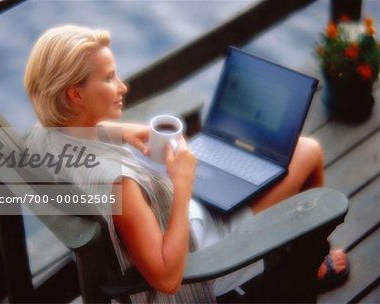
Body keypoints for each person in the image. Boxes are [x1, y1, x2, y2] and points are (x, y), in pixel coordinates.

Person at [24, 25, 348, 302]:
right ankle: (314, 263)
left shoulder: (42, 138)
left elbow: (68, 133)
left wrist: (120, 131)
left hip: (178, 220)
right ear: (75, 96)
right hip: (201, 257)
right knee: (308, 152)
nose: (122, 86)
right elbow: (167, 280)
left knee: (292, 156)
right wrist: (182, 186)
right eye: (109, 78)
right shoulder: (118, 185)